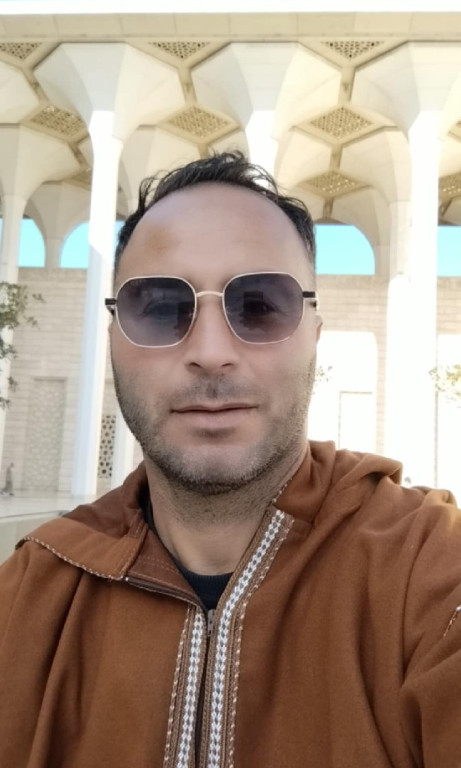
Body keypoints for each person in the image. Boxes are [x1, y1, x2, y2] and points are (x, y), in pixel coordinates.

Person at [0, 153, 460, 768]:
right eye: (161, 307)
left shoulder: (427, 568)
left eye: (260, 305)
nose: (211, 351)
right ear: (113, 338)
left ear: (314, 334)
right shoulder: (29, 597)